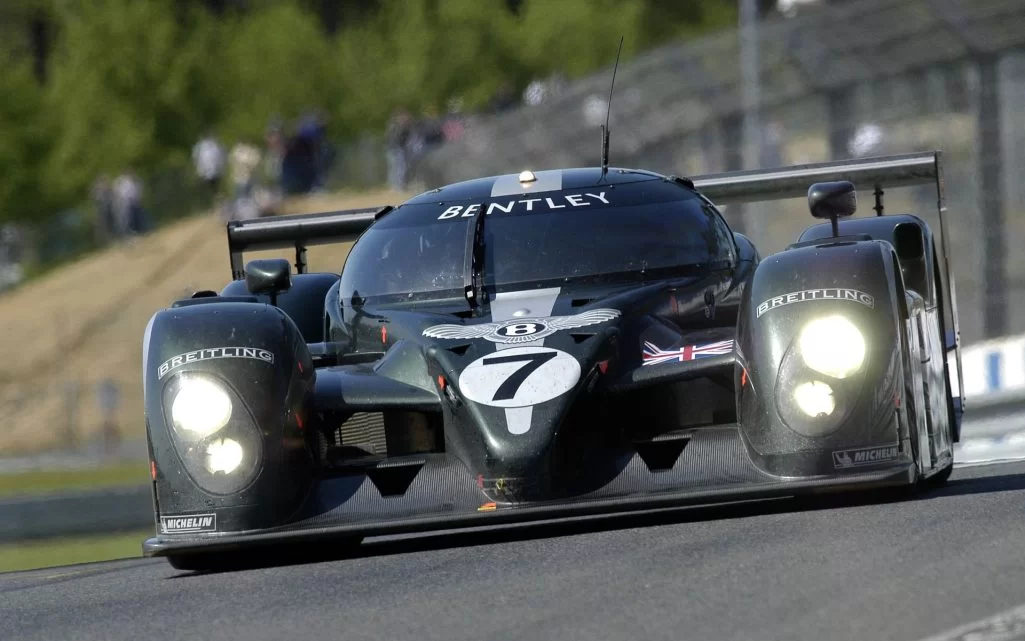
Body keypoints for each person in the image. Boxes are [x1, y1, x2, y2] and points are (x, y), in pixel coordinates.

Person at [192, 134, 225, 201]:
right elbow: (196, 157)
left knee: (214, 187)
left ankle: (214, 200)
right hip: (205, 171)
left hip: (214, 171)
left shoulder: (215, 145)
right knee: (206, 187)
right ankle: (207, 200)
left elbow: (220, 157)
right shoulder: (201, 146)